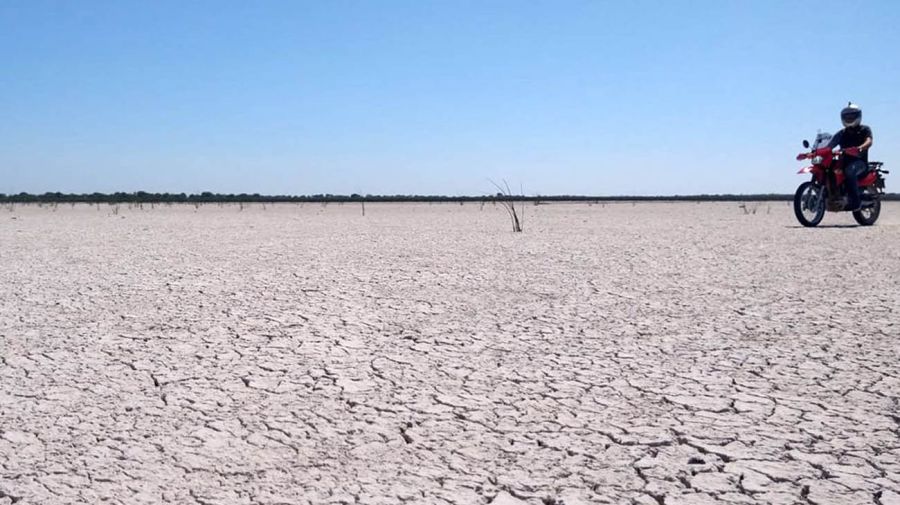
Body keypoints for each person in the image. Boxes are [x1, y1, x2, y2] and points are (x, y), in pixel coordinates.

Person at [827, 103, 874, 211]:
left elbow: (869, 141)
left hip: (859, 162)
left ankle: (855, 202)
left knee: (849, 171)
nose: (849, 118)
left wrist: (860, 148)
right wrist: (819, 151)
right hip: (843, 161)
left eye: (852, 116)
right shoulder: (841, 133)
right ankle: (833, 195)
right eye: (847, 116)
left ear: (858, 116)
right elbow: (830, 145)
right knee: (829, 169)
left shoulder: (864, 129)